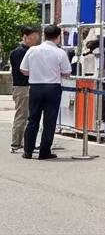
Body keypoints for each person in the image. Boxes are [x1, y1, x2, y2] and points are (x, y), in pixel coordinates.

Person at [18, 24, 68, 159]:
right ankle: (44, 151)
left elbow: (23, 70)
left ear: (44, 35)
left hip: (36, 87)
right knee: (49, 121)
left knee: (33, 118)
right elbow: (67, 71)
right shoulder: (60, 52)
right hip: (52, 87)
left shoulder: (32, 50)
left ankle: (28, 150)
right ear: (58, 37)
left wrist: (36, 73)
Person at [9, 25, 38, 153]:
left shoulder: (31, 51)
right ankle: (16, 142)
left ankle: (26, 142)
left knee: (30, 116)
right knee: (22, 115)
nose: (35, 41)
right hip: (22, 87)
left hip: (29, 86)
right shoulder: (19, 52)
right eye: (33, 38)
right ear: (25, 37)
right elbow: (22, 70)